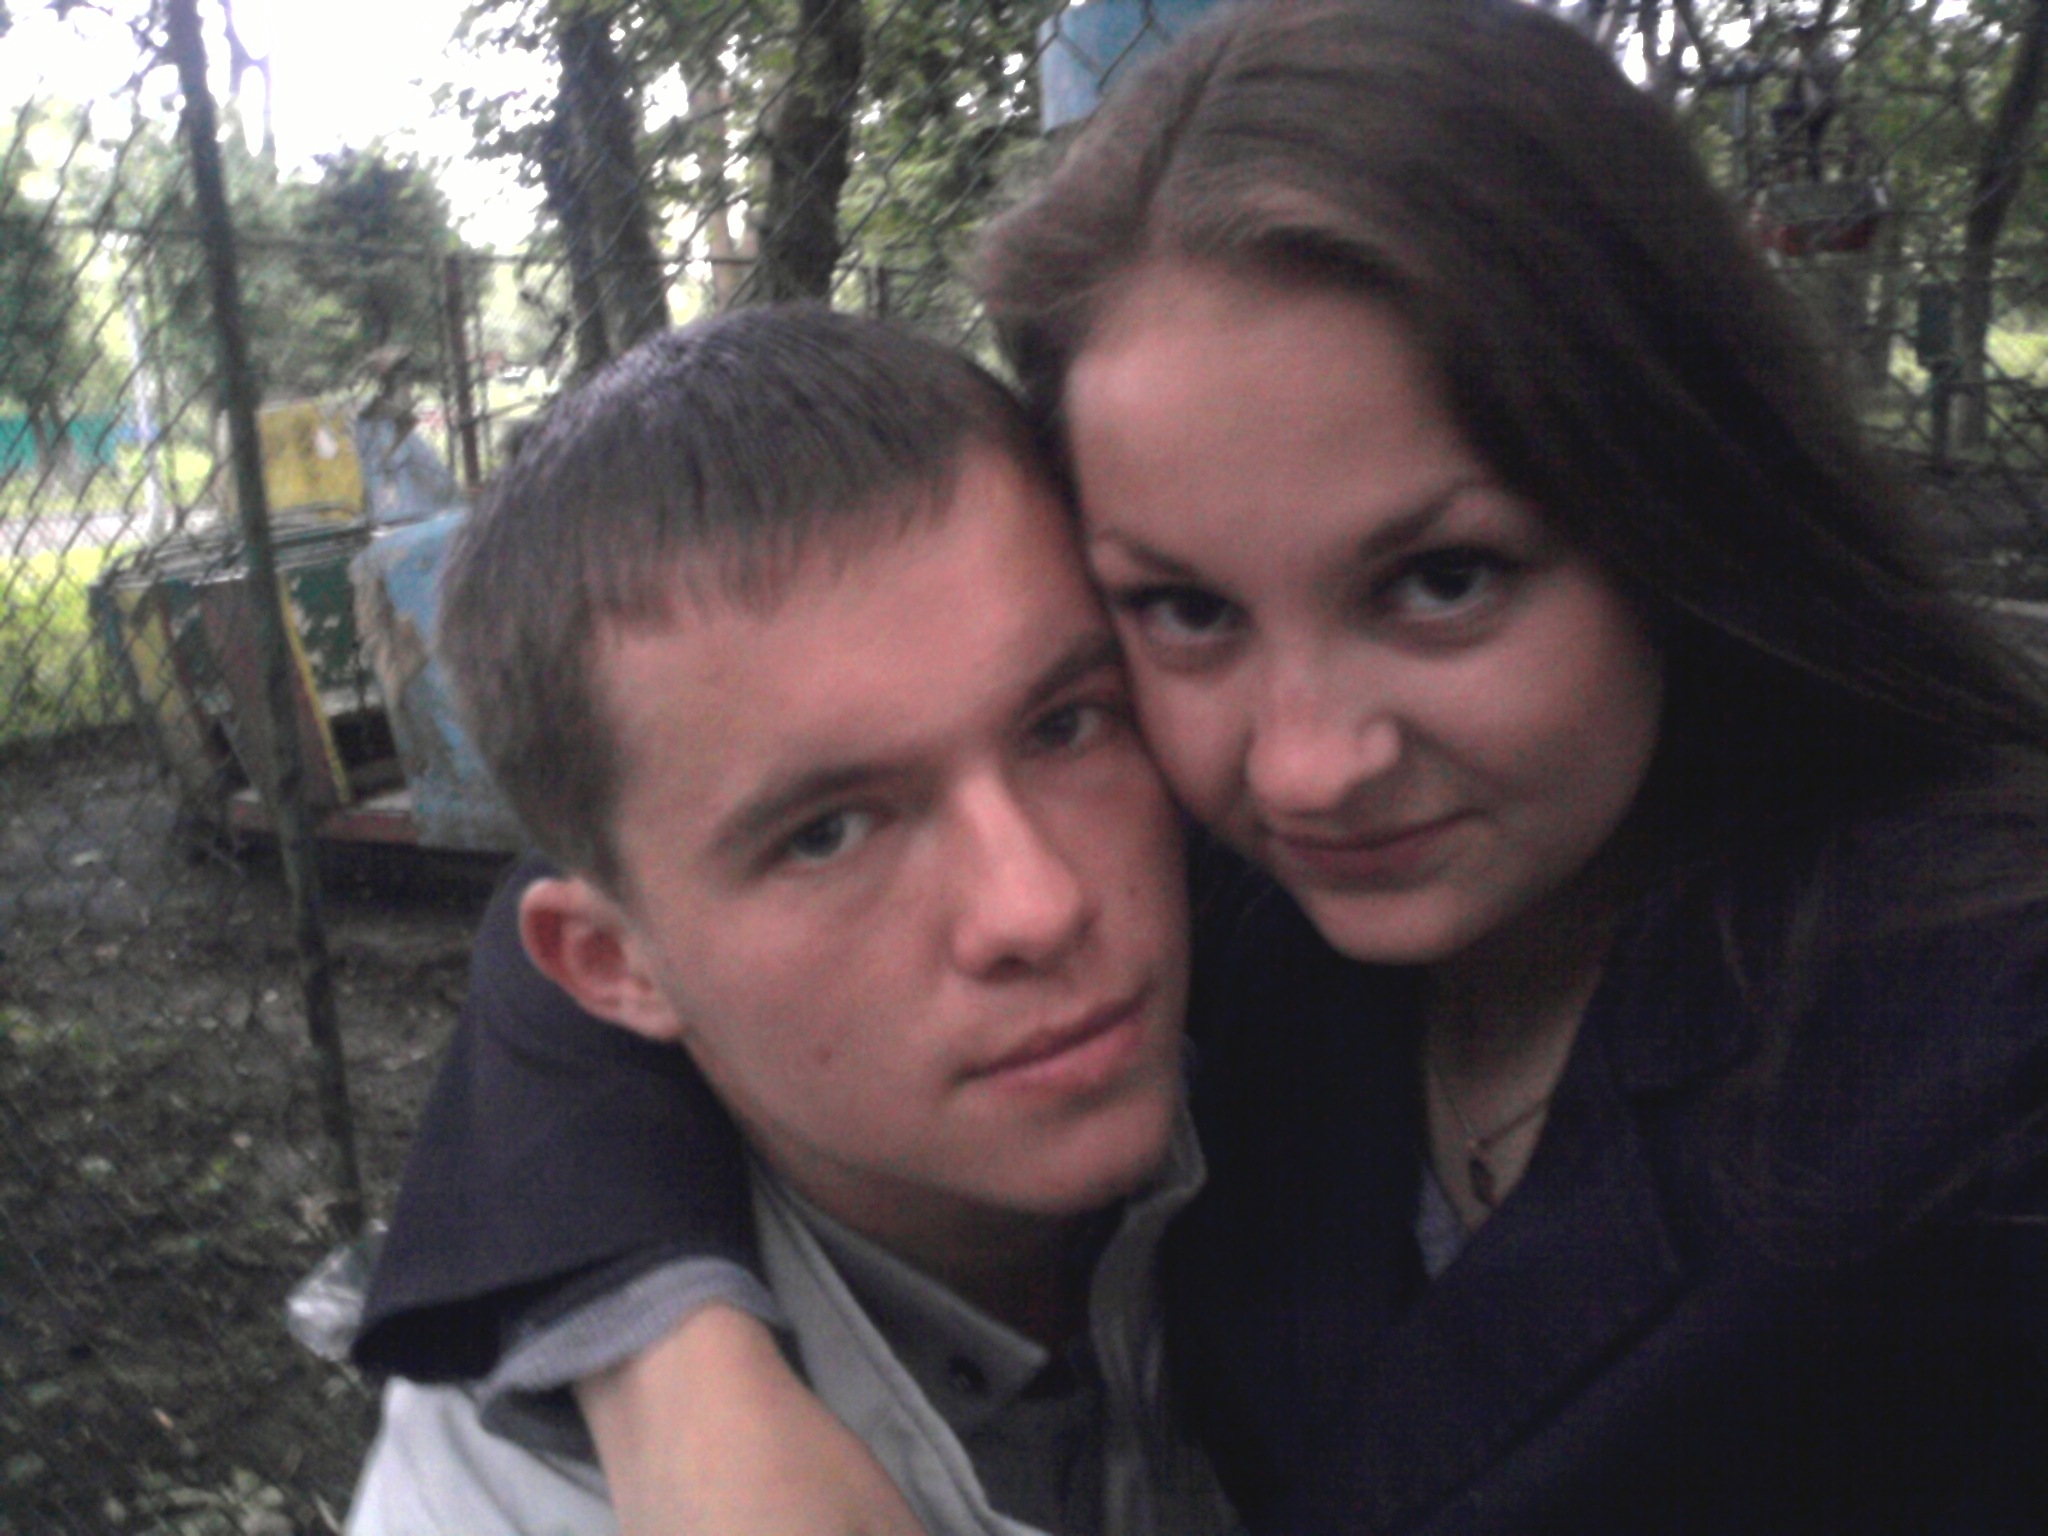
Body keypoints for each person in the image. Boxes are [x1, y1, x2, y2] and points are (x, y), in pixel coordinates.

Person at [355, 2, 2048, 1531]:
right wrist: (669, 1345)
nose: (1304, 771)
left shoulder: (1971, 1055)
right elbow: (598, 923)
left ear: (1676, 495)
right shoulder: (1237, 911)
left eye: (1442, 580)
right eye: (1182, 610)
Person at [344, 307, 1236, 1536]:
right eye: (827, 833)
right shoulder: (512, 1504)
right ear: (611, 966)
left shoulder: (1358, 997)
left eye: (1065, 725)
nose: (1034, 905)